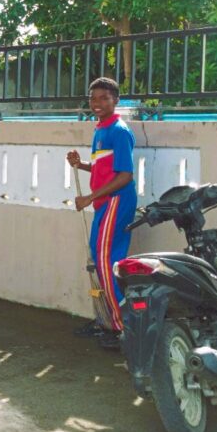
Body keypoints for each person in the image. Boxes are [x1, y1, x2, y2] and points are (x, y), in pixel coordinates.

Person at [66, 77, 137, 350]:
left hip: (116, 202)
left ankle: (119, 327)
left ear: (115, 100)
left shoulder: (119, 131)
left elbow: (125, 175)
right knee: (98, 259)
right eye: (93, 98)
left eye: (104, 98)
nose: (97, 103)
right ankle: (105, 318)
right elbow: (104, 169)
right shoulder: (100, 129)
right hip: (104, 203)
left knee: (106, 262)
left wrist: (90, 197)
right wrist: (81, 164)